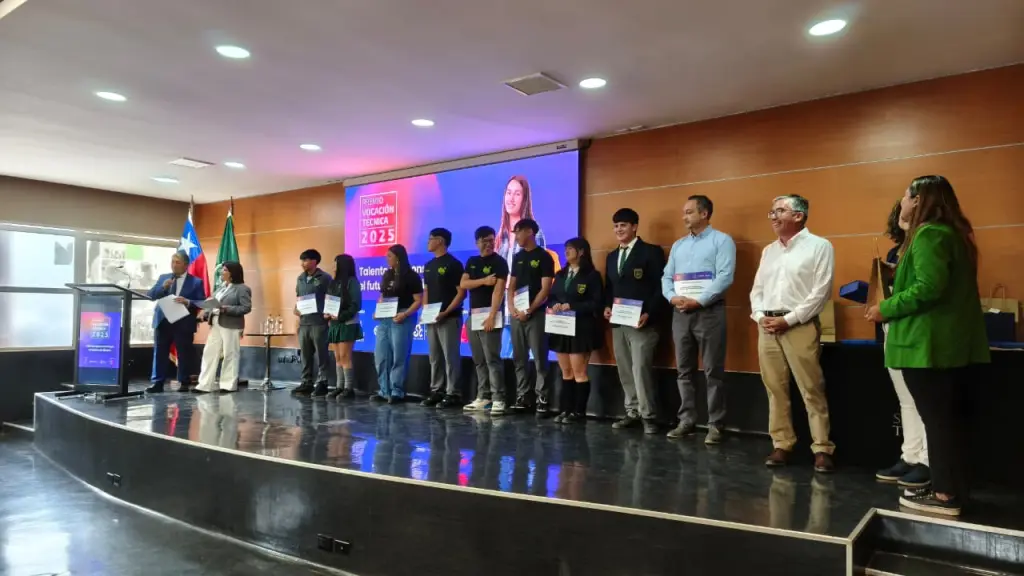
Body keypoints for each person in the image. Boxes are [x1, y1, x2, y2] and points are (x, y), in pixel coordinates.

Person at [865, 175, 989, 517]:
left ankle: (945, 494)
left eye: (905, 195)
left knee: (937, 420)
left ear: (918, 200)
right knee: (944, 419)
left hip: (927, 345)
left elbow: (928, 288)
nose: (901, 202)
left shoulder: (930, 234)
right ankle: (950, 486)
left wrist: (884, 308)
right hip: (943, 344)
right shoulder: (949, 234)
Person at [750, 194, 836, 473]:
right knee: (775, 388)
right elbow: (757, 290)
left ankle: (822, 448)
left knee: (811, 388)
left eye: (779, 211)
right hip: (767, 327)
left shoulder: (820, 246)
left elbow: (820, 292)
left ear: (798, 216)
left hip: (799, 325)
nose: (773, 217)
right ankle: (782, 443)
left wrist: (788, 319)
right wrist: (761, 316)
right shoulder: (768, 251)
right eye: (771, 212)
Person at [662, 195, 736, 443]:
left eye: (689, 212)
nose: (684, 217)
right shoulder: (678, 246)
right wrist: (673, 297)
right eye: (684, 212)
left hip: (709, 312)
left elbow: (724, 277)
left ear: (704, 214)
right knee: (684, 369)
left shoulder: (722, 241)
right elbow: (666, 278)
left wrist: (699, 300)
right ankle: (687, 420)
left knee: (713, 370)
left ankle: (715, 424)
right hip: (681, 313)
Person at [874, 201, 931, 489]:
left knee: (925, 400)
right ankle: (910, 455)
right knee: (906, 399)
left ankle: (928, 460)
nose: (902, 217)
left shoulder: (929, 242)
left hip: (917, 330)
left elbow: (925, 288)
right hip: (893, 328)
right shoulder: (896, 250)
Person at [602, 208, 666, 435]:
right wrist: (607, 307)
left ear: (635, 227)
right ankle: (632, 411)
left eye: (623, 225)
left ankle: (649, 416)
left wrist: (648, 312)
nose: (619, 230)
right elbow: (609, 288)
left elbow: (661, 287)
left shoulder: (651, 252)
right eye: (616, 226)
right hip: (619, 323)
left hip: (643, 322)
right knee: (625, 370)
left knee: (641, 369)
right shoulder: (611, 257)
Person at [549, 237, 603, 425]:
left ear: (581, 252)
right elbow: (552, 296)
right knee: (566, 371)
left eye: (570, 248)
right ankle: (566, 409)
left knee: (579, 371)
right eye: (565, 248)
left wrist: (572, 305)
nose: (566, 252)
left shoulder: (591, 276)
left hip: (581, 328)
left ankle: (579, 412)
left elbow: (596, 303)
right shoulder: (561, 274)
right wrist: (555, 305)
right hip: (561, 327)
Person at [507, 218, 555, 415]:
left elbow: (545, 289)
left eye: (518, 232)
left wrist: (530, 310)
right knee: (519, 357)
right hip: (517, 315)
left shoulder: (544, 257)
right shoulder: (518, 257)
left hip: (536, 315)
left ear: (529, 232)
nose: (516, 236)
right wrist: (512, 308)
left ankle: (542, 397)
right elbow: (512, 286)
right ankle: (522, 396)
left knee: (539, 356)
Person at [461, 226, 509, 415]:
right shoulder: (472, 261)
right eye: (484, 241)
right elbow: (464, 283)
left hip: (491, 314)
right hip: (474, 315)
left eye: (491, 240)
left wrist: (492, 316)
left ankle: (499, 398)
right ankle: (484, 396)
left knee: (492, 359)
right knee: (479, 359)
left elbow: (498, 290)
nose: (488, 244)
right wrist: (483, 281)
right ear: (477, 242)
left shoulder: (500, 262)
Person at [146, 250, 206, 393]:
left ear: (186, 265)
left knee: (184, 352)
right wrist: (163, 288)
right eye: (172, 262)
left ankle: (183, 381)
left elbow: (202, 302)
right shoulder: (163, 278)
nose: (174, 265)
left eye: (177, 262)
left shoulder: (196, 282)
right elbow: (151, 295)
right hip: (163, 321)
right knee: (160, 352)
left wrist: (188, 301)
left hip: (183, 322)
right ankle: (157, 382)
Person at [420, 228, 467, 408]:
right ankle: (437, 390)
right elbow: (427, 291)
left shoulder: (453, 264)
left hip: (449, 317)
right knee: (435, 356)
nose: (428, 242)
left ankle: (453, 392)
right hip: (432, 317)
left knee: (450, 356)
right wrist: (426, 311)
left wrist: (446, 311)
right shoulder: (429, 265)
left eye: (431, 239)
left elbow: (461, 293)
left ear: (440, 241)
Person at [374, 244, 423, 403]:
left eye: (389, 256)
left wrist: (405, 314)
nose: (386, 259)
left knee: (399, 356)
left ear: (398, 258)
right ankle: (384, 390)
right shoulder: (387, 274)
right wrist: (378, 310)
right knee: (381, 355)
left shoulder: (411, 276)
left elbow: (418, 301)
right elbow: (382, 296)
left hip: (402, 315)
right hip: (385, 318)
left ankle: (397, 391)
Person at [195, 261, 251, 393]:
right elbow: (213, 304)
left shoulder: (242, 288)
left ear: (232, 273)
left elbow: (246, 307)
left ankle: (228, 384)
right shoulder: (221, 287)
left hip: (231, 325)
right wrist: (205, 313)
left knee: (230, 353)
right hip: (215, 323)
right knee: (209, 353)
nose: (222, 272)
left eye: (225, 270)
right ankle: (204, 384)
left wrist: (227, 309)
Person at [292, 249, 333, 397]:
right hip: (304, 323)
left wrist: (329, 314)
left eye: (306, 260)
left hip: (319, 322)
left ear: (314, 261)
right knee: (305, 354)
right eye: (302, 261)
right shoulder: (300, 278)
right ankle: (306, 382)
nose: (303, 264)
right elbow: (299, 297)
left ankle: (322, 382)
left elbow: (331, 297)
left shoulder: (325, 277)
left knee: (322, 354)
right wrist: (296, 309)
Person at [324, 254, 363, 400]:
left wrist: (341, 316)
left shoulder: (352, 282)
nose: (333, 266)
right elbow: (329, 301)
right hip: (334, 324)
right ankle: (339, 386)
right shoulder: (333, 283)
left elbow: (356, 305)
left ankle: (348, 388)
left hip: (347, 323)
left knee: (345, 356)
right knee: (337, 356)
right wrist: (326, 314)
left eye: (335, 263)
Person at [495, 175, 547, 268]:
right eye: (509, 193)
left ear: (524, 199)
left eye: (517, 194)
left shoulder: (534, 231)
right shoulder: (501, 235)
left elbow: (539, 268)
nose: (511, 198)